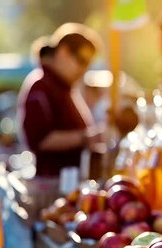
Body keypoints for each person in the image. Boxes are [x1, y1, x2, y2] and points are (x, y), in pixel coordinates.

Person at [18, 23, 104, 177]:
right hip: (53, 183)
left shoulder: (63, 87)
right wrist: (86, 138)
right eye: (81, 61)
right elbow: (40, 139)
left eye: (88, 65)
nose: (83, 70)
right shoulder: (41, 86)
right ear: (63, 52)